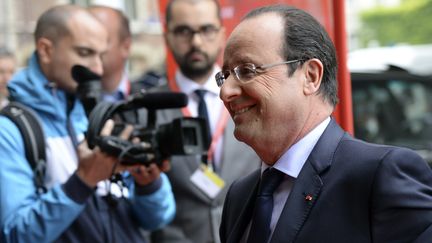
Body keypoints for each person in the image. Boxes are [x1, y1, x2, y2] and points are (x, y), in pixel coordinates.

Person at [217, 4, 432, 243]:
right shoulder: (240, 195)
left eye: (247, 70)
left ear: (310, 76)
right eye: (224, 76)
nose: (226, 91)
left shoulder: (380, 176)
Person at [0, 5, 175, 243]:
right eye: (84, 53)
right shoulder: (10, 130)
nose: (98, 69)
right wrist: (82, 181)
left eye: (101, 55)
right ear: (46, 50)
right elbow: (15, 234)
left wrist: (148, 184)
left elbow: (157, 219)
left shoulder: (97, 114)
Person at [150, 0, 261, 243]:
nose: (196, 42)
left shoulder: (254, 99)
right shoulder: (148, 110)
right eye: (184, 31)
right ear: (167, 36)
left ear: (222, 34)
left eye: (206, 29)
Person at [88, 5, 136, 102]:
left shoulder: (150, 98)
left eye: (100, 39)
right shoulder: (68, 105)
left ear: (125, 47)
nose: (89, 47)